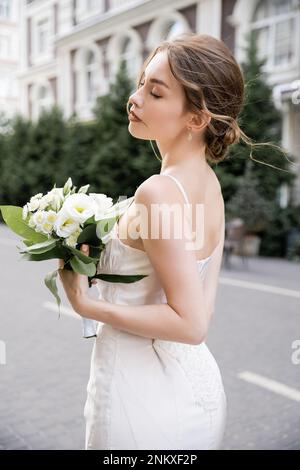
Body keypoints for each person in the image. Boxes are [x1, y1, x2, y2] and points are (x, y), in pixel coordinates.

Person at [58, 33, 246, 450]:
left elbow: (191, 324)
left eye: (155, 92)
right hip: (194, 386)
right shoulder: (210, 187)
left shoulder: (158, 192)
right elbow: (204, 306)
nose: (135, 97)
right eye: (142, 82)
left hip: (139, 394)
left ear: (196, 119)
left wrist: (86, 304)